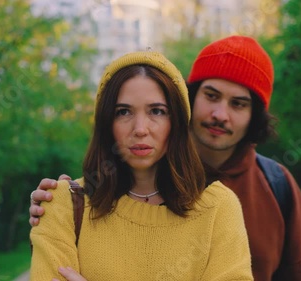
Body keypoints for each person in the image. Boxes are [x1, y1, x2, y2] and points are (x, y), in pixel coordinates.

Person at [30, 36, 301, 281]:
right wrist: (59, 208)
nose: (219, 114)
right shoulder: (69, 204)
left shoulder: (259, 191)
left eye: (156, 111)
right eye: (212, 96)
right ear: (189, 100)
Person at [29, 50, 253, 280]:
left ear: (176, 121)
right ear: (107, 122)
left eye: (156, 111)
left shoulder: (219, 208)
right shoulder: (64, 205)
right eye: (123, 112)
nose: (140, 128)